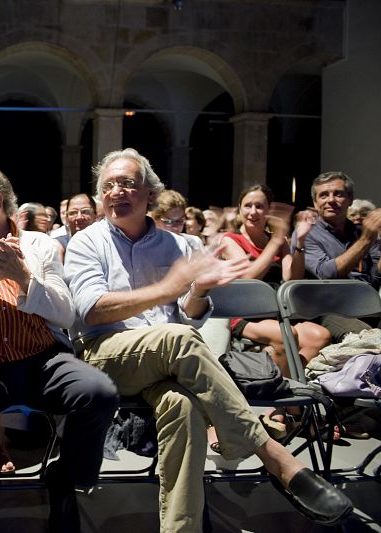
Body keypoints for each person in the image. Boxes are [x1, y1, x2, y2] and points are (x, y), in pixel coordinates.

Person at [63, 148, 353, 532]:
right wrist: (169, 287)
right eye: (109, 185)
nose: (117, 191)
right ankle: (277, 460)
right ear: (101, 197)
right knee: (179, 340)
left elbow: (189, 316)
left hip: (167, 361)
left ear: (149, 193)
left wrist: (197, 291)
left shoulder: (179, 246)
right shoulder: (88, 242)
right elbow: (92, 310)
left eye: (128, 183)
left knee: (181, 407)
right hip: (106, 356)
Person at [0, 164, 118, 533]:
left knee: (99, 393)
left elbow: (65, 313)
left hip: (40, 360)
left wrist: (23, 278)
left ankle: (64, 479)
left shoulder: (40, 245)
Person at [215, 184, 330, 444]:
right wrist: (277, 242)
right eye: (248, 205)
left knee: (319, 335)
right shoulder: (231, 240)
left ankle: (280, 412)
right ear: (240, 209)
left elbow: (293, 277)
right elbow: (247, 278)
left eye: (260, 206)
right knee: (286, 335)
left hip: (278, 313)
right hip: (244, 314)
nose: (253, 211)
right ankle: (295, 412)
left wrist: (298, 241)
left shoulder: (277, 240)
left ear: (269, 210)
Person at [296, 171, 381, 290]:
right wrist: (365, 240)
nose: (331, 200)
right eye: (323, 195)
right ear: (315, 203)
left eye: (338, 194)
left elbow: (376, 278)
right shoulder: (306, 234)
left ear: (350, 199)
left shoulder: (362, 232)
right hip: (330, 302)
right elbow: (326, 274)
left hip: (368, 298)